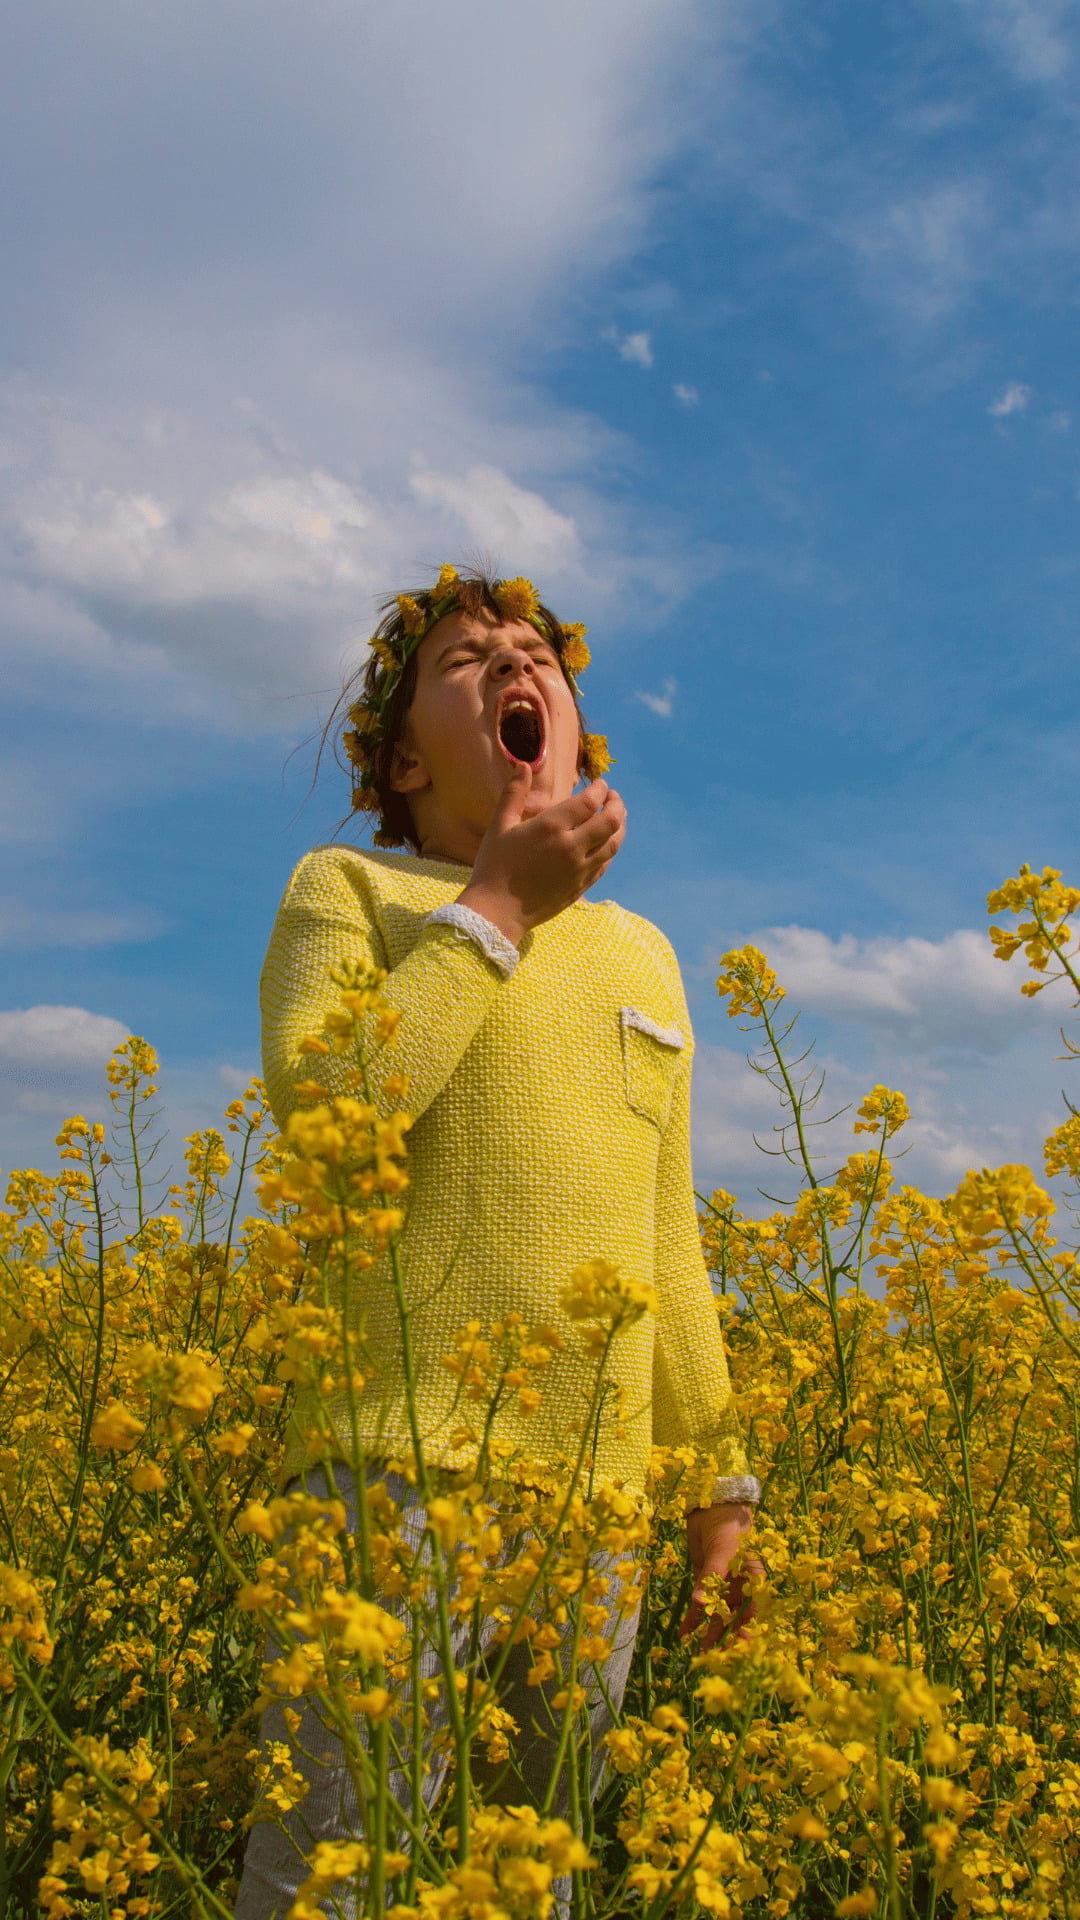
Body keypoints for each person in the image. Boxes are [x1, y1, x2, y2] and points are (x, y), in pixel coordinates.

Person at [236, 566, 760, 1917]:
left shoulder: (644, 953)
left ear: (576, 729)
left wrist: (720, 1496)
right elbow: (333, 1121)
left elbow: (666, 1248)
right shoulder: (350, 888)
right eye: (467, 660)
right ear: (405, 757)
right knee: (339, 1877)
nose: (515, 665)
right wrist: (497, 912)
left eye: (538, 653)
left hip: (588, 1515)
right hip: (389, 1480)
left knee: (528, 1880)